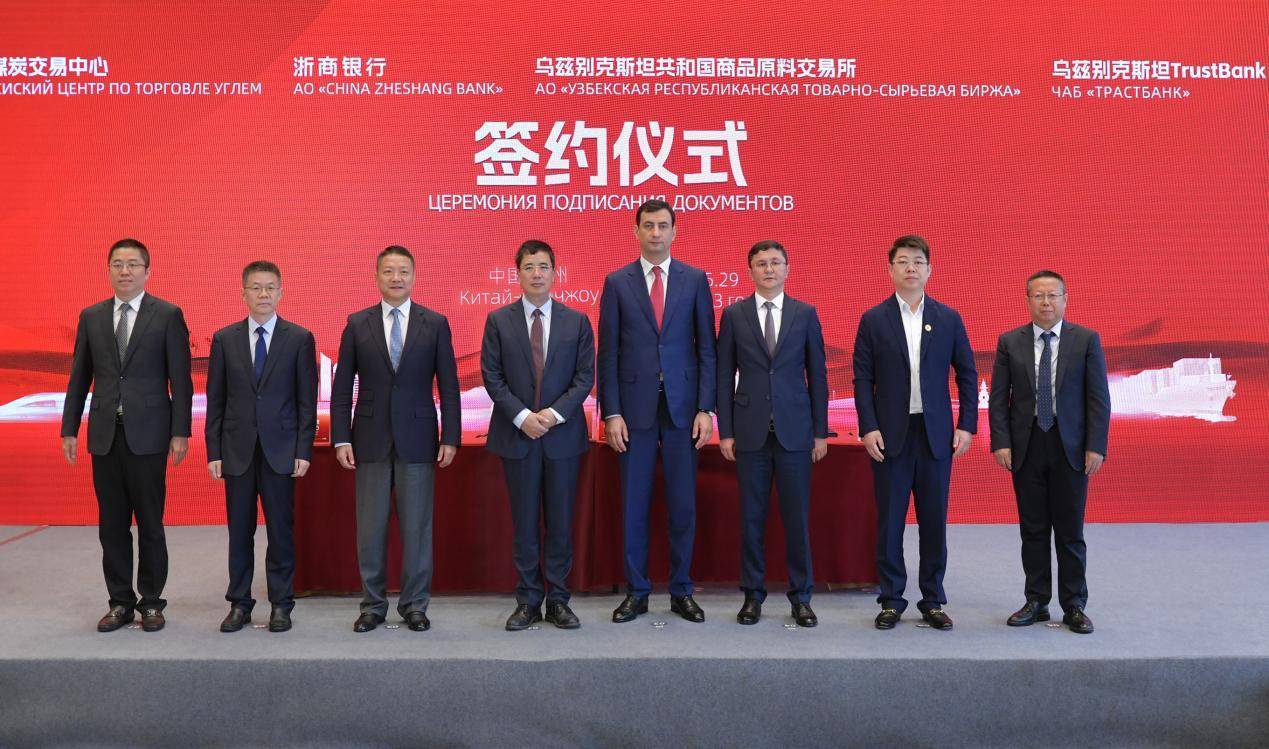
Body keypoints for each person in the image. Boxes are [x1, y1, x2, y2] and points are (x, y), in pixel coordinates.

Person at [61, 238, 193, 633]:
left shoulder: (167, 314)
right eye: (118, 264)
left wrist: (180, 431)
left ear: (147, 271)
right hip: (105, 436)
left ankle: (151, 602)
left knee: (150, 522)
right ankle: (120, 602)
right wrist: (69, 427)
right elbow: (79, 377)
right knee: (112, 525)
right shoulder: (92, 316)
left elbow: (181, 380)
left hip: (149, 436)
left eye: (133, 264)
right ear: (108, 270)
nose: (125, 270)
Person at [330, 246, 460, 633]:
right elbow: (341, 388)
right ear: (377, 277)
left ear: (414, 276)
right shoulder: (358, 323)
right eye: (389, 271)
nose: (396, 277)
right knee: (370, 531)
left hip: (418, 439)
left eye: (403, 271)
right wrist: (340, 437)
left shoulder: (434, 323)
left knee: (417, 530)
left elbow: (449, 386)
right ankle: (372, 606)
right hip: (369, 440)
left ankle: (415, 605)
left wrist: (450, 436)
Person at [598, 199, 716, 623]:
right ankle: (637, 591)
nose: (655, 233)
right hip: (634, 412)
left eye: (663, 225)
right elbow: (608, 353)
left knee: (683, 505)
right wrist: (611, 412)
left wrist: (706, 407)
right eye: (648, 225)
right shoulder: (617, 282)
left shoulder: (694, 279)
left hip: (684, 411)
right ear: (636, 231)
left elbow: (707, 349)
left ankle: (682, 590)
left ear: (674, 231)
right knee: (635, 504)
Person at [853, 235, 977, 631]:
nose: (911, 268)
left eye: (918, 261)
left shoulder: (948, 318)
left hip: (935, 434)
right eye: (903, 261)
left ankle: (932, 599)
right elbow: (862, 379)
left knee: (933, 521)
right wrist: (868, 427)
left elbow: (968, 374)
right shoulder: (873, 319)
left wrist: (967, 425)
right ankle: (891, 599)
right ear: (889, 269)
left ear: (929, 270)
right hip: (890, 435)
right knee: (890, 521)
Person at [481, 240, 595, 631]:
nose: (536, 274)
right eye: (529, 267)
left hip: (562, 437)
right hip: (518, 437)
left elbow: (584, 377)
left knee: (560, 523)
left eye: (543, 267)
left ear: (554, 273)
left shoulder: (576, 321)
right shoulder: (498, 320)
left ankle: (559, 600)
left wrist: (552, 414)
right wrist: (523, 417)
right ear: (517, 274)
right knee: (525, 524)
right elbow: (492, 376)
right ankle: (528, 600)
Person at [716, 240, 829, 627]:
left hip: (795, 433)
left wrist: (820, 432)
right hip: (749, 433)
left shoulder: (805, 314)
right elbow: (723, 376)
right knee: (752, 519)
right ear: (750, 271)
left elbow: (818, 375)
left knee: (797, 520)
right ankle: (753, 595)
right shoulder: (734, 315)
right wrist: (726, 431)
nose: (769, 269)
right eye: (761, 263)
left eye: (775, 262)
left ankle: (801, 597)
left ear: (787, 269)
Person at [990, 270, 1109, 635]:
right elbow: (999, 399)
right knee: (1033, 530)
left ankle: (1074, 605)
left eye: (1052, 295)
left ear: (1065, 299)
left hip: (1070, 446)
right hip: (1026, 446)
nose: (1046, 302)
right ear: (1028, 300)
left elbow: (1098, 399)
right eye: (1038, 296)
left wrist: (1095, 446)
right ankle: (1037, 600)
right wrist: (1001, 442)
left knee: (1070, 531)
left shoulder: (1086, 340)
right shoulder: (1010, 342)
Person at [205, 260, 317, 633]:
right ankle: (239, 603)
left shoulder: (299, 338)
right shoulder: (224, 339)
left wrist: (303, 450)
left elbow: (306, 401)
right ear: (243, 293)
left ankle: (281, 604)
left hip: (281, 451)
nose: (263, 294)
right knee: (240, 532)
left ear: (281, 293)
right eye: (256, 287)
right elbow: (216, 400)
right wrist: (214, 451)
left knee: (280, 532)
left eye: (270, 287)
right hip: (236, 451)